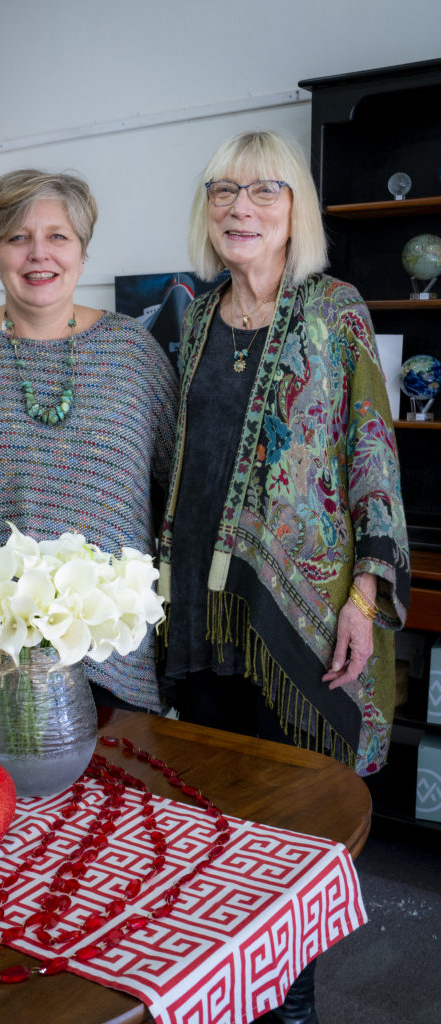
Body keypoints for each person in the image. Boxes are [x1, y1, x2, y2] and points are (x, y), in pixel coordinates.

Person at [158, 128, 411, 1024]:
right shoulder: (184, 317)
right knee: (215, 823)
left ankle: (292, 1007)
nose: (241, 208)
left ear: (295, 207)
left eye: (265, 191)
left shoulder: (336, 308)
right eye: (224, 191)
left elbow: (372, 457)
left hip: (301, 618)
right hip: (197, 610)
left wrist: (364, 593)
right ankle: (222, 997)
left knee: (294, 832)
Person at [0, 168, 178, 713]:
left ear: (82, 248)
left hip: (109, 655)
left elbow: (179, 494)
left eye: (58, 237)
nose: (38, 255)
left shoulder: (134, 352)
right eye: (17, 237)